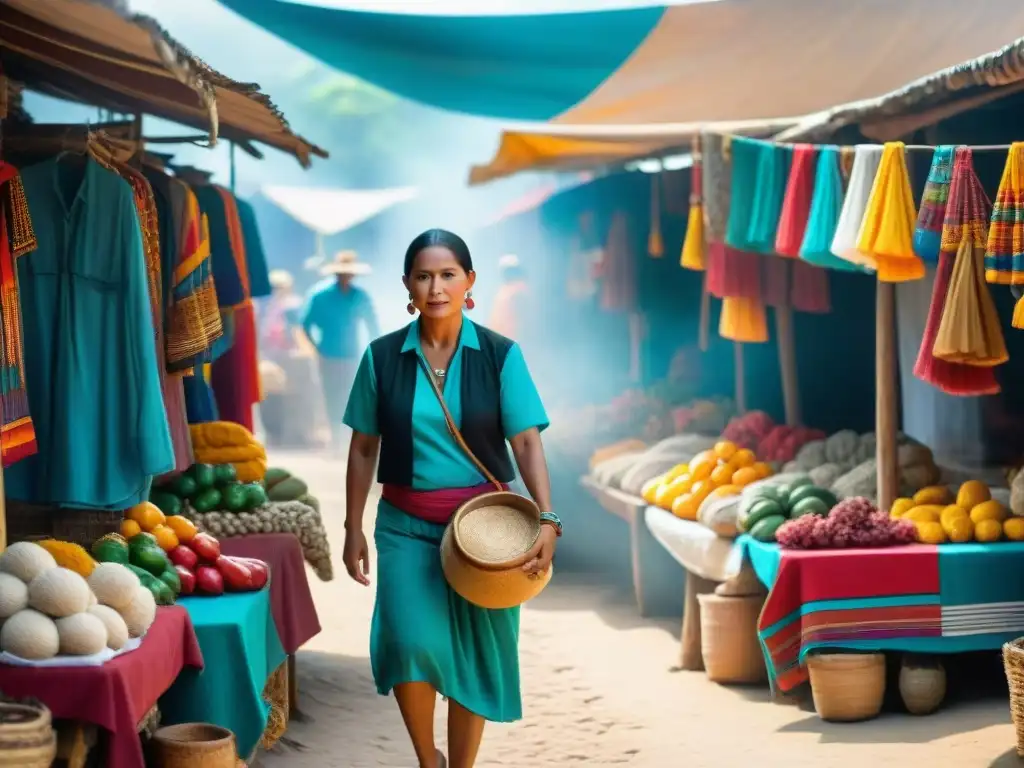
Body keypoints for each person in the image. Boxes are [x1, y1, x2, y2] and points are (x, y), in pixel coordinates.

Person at [342, 229, 561, 768]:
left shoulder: (500, 356)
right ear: (407, 286)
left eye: (447, 275)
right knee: (410, 643)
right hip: (405, 527)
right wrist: (352, 527)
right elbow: (364, 447)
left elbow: (527, 441)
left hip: (489, 535)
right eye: (424, 276)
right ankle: (427, 759)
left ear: (469, 282)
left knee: (477, 658)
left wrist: (548, 518)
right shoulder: (381, 358)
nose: (436, 287)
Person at [300, 250, 379, 453]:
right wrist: (316, 349)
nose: (346, 277)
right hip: (328, 355)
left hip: (352, 355)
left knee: (351, 397)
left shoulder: (360, 296)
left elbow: (372, 326)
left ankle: (347, 440)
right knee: (330, 396)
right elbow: (305, 324)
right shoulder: (320, 295)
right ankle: (335, 440)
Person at [487, 253, 531, 338]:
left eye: (507, 270)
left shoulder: (519, 289)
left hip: (511, 339)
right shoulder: (506, 289)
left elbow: (524, 318)